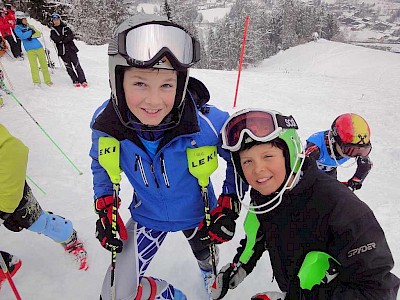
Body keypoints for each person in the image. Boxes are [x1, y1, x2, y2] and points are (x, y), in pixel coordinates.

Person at [90, 13, 242, 300]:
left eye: (166, 86)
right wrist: (105, 204)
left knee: (205, 257)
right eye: (139, 84)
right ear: (117, 80)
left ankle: (207, 270)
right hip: (148, 217)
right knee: (115, 296)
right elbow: (101, 163)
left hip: (199, 216)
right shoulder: (105, 124)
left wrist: (229, 201)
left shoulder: (205, 123)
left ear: (181, 84)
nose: (154, 101)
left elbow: (239, 156)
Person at [209, 108, 400, 299]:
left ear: (289, 153)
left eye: (268, 156)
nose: (258, 169)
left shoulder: (343, 209)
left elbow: (379, 292)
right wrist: (239, 268)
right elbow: (259, 236)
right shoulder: (265, 197)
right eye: (247, 161)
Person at [0, 123, 88, 271]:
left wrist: (5, 206)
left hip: (7, 189)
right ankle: (5, 264)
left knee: (35, 220)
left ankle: (69, 237)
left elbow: (13, 151)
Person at [305, 113, 373, 191]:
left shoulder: (348, 149)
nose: (355, 155)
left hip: (329, 172)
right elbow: (301, 170)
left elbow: (365, 166)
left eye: (364, 151)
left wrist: (353, 184)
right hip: (310, 170)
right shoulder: (315, 148)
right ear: (334, 141)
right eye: (350, 150)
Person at [14, 11, 53, 87]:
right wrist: (30, 33)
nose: (26, 20)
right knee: (33, 66)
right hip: (30, 49)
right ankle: (36, 82)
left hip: (39, 47)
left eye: (25, 19)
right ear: (20, 20)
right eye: (24, 19)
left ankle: (47, 80)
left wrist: (30, 36)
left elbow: (38, 34)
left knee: (44, 64)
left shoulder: (30, 26)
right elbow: (22, 36)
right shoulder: (17, 28)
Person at [50, 13, 87, 88]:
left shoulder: (66, 28)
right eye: (54, 20)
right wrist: (64, 38)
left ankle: (83, 80)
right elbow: (56, 40)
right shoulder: (53, 31)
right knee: (69, 67)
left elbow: (71, 36)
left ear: (60, 20)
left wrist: (62, 39)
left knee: (77, 65)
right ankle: (75, 80)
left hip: (71, 50)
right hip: (63, 52)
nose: (56, 21)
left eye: (57, 20)